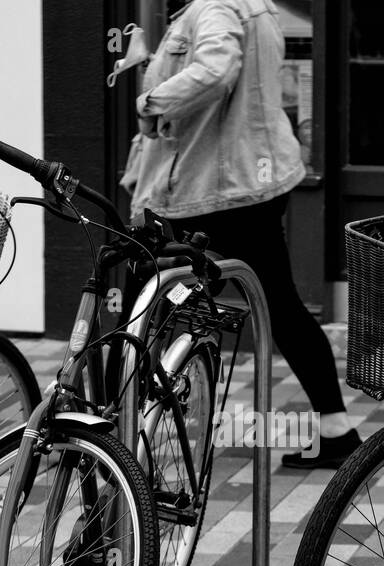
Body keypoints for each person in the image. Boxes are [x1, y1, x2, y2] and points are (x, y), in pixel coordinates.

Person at [121, 0, 359, 469]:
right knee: (280, 305)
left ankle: (113, 430)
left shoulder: (216, 6)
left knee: (142, 293)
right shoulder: (256, 6)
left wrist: (150, 103)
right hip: (247, 185)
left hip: (218, 190)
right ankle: (336, 427)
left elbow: (215, 70)